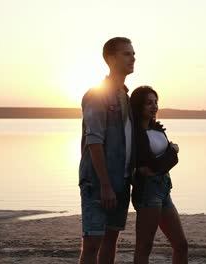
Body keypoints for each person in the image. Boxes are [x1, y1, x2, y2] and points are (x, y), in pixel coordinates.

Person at [78, 37, 136, 264]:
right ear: (111, 58)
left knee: (111, 239)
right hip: (98, 182)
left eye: (133, 54)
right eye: (127, 54)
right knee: (93, 241)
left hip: (121, 180)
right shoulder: (97, 94)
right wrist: (104, 184)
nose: (133, 58)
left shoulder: (126, 96)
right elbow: (94, 140)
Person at [130, 86, 188, 264]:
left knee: (181, 245)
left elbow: (168, 162)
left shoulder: (158, 128)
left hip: (164, 190)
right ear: (139, 106)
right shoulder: (135, 133)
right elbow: (152, 164)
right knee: (144, 247)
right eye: (148, 103)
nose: (154, 106)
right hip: (148, 191)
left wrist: (168, 156)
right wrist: (171, 152)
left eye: (155, 102)